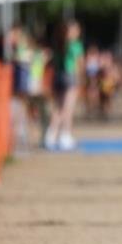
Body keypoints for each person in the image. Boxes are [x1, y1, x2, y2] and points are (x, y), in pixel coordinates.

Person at [45, 19, 84, 151]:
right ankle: (65, 136)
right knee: (68, 109)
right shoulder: (75, 45)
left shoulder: (58, 44)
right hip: (70, 76)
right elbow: (79, 63)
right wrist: (81, 79)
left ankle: (50, 136)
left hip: (58, 77)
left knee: (58, 108)